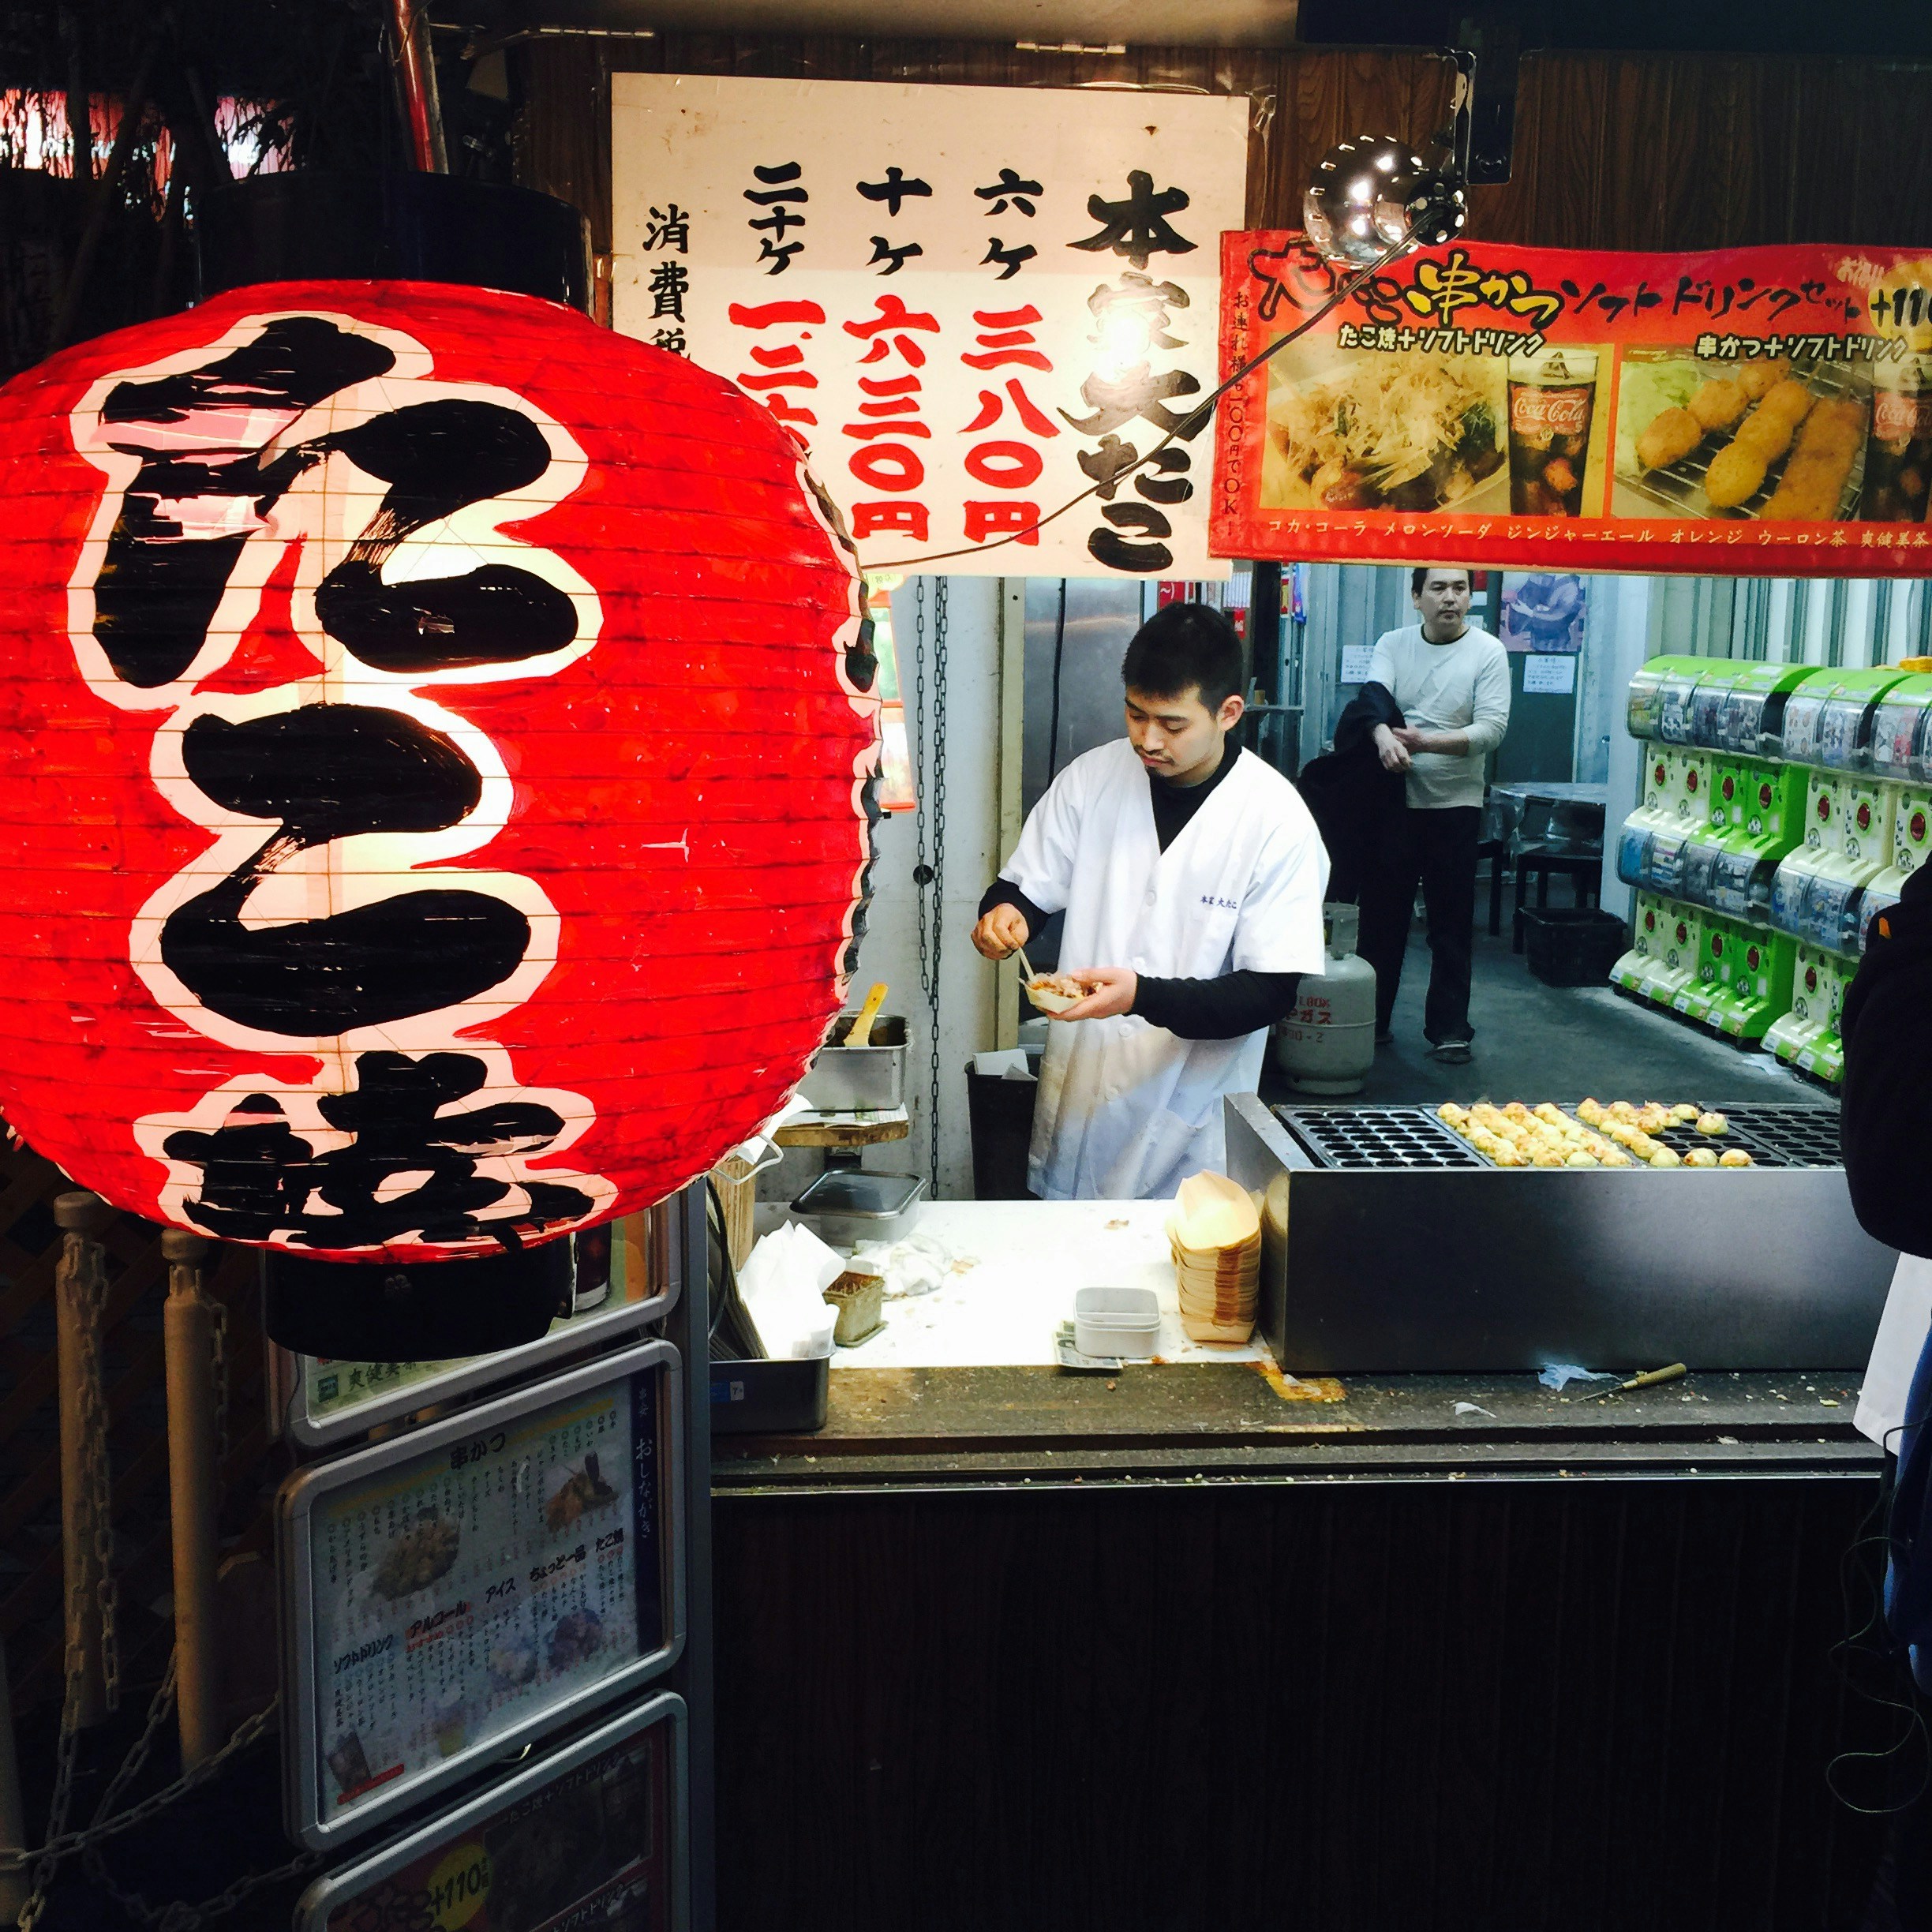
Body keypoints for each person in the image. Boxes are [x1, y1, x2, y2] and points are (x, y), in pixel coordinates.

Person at [970, 602, 1328, 1200]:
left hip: (1191, 1124)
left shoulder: (1276, 820)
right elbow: (1022, 888)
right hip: (1080, 1107)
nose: (1147, 739)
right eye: (1135, 714)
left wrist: (1141, 995)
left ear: (1228, 713)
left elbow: (1269, 992)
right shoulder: (1093, 779)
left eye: (1172, 723)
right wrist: (1006, 916)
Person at [1355, 564, 1511, 1065]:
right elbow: (1373, 700)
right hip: (1392, 804)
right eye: (1438, 588)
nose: (1450, 598)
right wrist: (1381, 736)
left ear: (1470, 597)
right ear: (1417, 597)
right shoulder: (1393, 644)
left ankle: (1449, 1029)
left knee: (1451, 921)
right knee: (1382, 919)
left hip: (1455, 804)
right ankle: (1371, 1022)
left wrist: (1424, 742)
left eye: (1460, 588)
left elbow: (1491, 730)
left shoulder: (1488, 652)